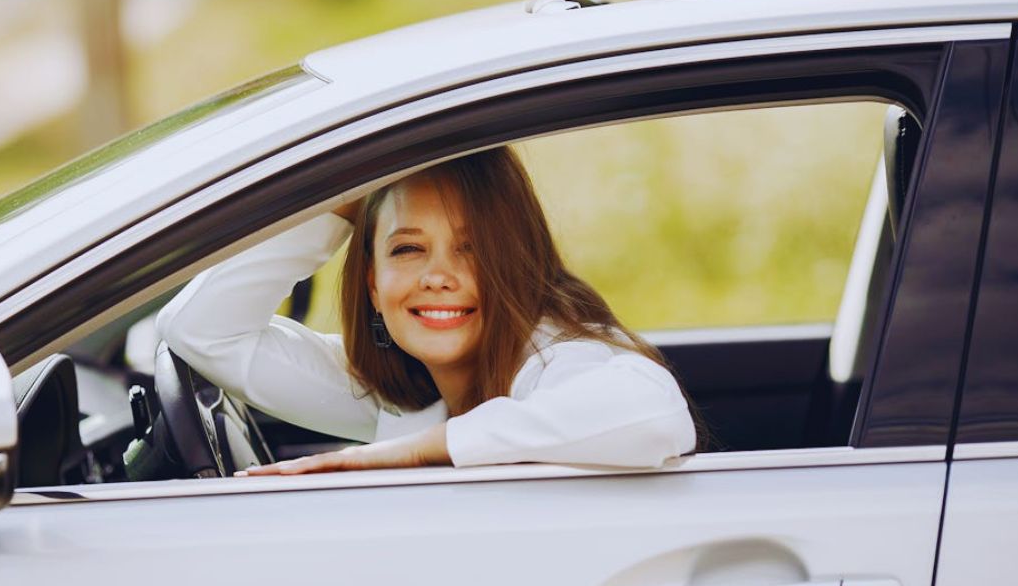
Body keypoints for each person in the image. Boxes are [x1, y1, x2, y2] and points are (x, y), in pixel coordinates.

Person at [156, 146, 696, 475]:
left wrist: (408, 457)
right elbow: (200, 330)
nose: (439, 276)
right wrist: (343, 201)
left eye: (473, 248)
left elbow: (649, 414)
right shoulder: (400, 395)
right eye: (408, 249)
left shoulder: (556, 353)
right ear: (372, 282)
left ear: (517, 262)